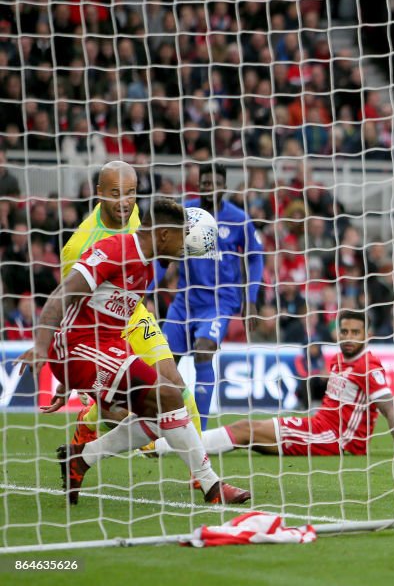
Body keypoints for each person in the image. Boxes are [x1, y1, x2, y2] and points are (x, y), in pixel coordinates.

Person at [16, 199, 250, 505]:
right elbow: (64, 293)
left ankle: (82, 458)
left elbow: (111, 323)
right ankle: (212, 486)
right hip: (79, 348)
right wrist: (43, 347)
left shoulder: (146, 270)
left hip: (102, 349)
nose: (185, 247)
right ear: (164, 235)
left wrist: (71, 377)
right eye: (182, 236)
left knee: (161, 412)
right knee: (170, 396)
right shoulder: (116, 249)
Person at [60, 161, 201, 446]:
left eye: (130, 193)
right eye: (115, 194)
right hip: (101, 331)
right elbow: (69, 307)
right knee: (122, 410)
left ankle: (201, 477)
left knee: (177, 384)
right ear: (99, 193)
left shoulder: (135, 212)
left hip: (135, 315)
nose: (124, 202)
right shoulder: (78, 246)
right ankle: (91, 420)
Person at [148, 311, 394, 459]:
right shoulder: (340, 360)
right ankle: (165, 446)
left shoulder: (368, 365)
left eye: (355, 333)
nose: (349, 338)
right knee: (247, 435)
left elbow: (390, 408)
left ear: (368, 335)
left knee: (245, 430)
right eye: (344, 332)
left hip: (334, 439)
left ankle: (162, 446)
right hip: (319, 428)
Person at [160, 163, 264, 429]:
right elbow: (162, 251)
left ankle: (200, 431)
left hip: (219, 302)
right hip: (184, 301)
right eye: (205, 182)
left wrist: (250, 299)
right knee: (165, 365)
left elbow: (255, 259)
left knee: (204, 352)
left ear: (224, 186)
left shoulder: (239, 219)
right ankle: (158, 430)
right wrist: (149, 289)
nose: (209, 187)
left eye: (214, 182)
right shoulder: (186, 212)